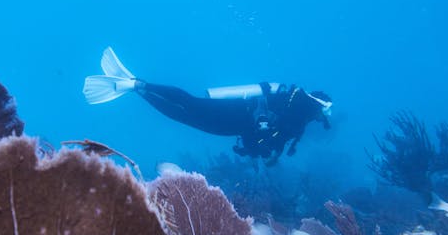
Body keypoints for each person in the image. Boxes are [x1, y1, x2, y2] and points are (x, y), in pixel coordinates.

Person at [83, 47, 332, 165]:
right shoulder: (298, 115)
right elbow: (268, 134)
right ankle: (139, 86)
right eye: (322, 113)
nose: (321, 119)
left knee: (187, 110)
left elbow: (265, 138)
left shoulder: (294, 108)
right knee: (188, 108)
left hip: (235, 118)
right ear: (317, 108)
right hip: (235, 118)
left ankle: (137, 86)